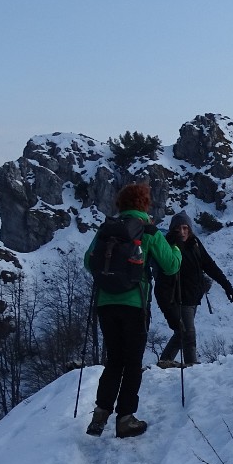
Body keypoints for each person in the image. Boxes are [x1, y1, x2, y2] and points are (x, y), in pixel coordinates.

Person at [83, 183, 181, 438]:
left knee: (114, 359)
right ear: (144, 204)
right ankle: (125, 418)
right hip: (135, 305)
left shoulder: (107, 229)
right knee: (132, 362)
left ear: (120, 204)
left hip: (106, 304)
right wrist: (177, 251)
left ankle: (100, 414)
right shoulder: (147, 229)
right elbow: (170, 266)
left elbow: (87, 261)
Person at [154, 210, 233, 369]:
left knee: (182, 333)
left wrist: (226, 285)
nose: (182, 232)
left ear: (190, 229)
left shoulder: (194, 243)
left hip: (192, 297)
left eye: (186, 228)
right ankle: (192, 368)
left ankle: (164, 363)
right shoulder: (169, 246)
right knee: (188, 334)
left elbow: (209, 265)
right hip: (178, 298)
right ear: (173, 229)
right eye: (178, 228)